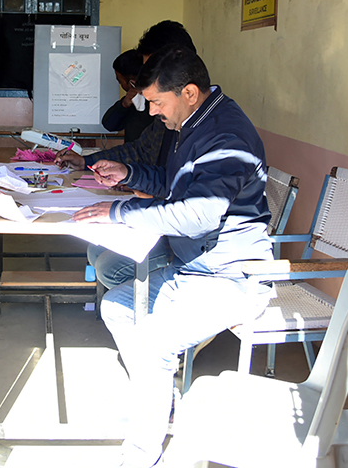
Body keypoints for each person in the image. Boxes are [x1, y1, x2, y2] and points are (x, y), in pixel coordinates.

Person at [72, 44, 274, 468]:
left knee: (153, 344)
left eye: (157, 102)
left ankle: (142, 455)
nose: (151, 113)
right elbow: (174, 183)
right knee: (117, 304)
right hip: (194, 267)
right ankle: (161, 400)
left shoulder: (226, 136)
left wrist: (119, 211)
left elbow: (199, 214)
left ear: (189, 92)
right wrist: (129, 173)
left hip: (231, 278)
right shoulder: (196, 122)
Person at [55, 21, 198, 289]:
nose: (151, 111)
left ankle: (174, 314)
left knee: (109, 268)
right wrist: (91, 163)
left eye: (151, 70)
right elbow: (139, 151)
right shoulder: (168, 114)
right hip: (162, 219)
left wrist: (125, 208)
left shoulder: (208, 129)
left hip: (184, 241)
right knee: (96, 249)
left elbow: (192, 205)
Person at [101, 49, 153, 143]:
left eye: (120, 82)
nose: (121, 86)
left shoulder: (154, 105)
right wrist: (123, 105)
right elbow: (109, 124)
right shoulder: (132, 100)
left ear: (131, 83)